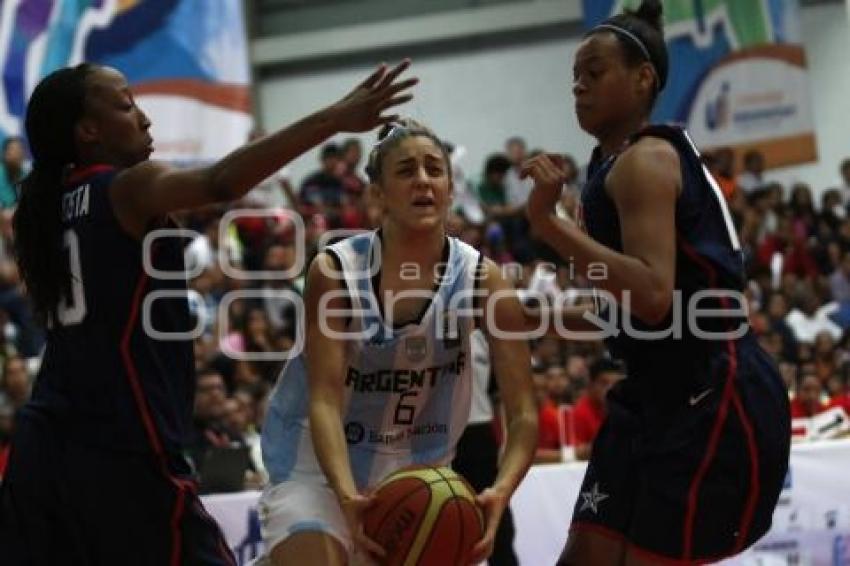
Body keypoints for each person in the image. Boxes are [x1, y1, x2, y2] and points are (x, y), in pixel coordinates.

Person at [0, 59, 416, 565]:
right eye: (127, 104)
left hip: (45, 444)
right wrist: (334, 117)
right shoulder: (125, 188)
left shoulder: (45, 206)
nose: (145, 119)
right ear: (88, 131)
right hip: (123, 442)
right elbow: (221, 182)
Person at [524, 1, 791, 563]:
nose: (579, 86)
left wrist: (548, 225)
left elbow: (649, 295)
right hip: (653, 391)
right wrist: (529, 313)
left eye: (594, 73)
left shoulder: (645, 161)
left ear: (643, 78)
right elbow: (619, 307)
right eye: (575, 76)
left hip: (711, 387)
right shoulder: (609, 167)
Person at [259, 119, 537, 566]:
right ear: (377, 196)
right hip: (318, 470)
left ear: (449, 189)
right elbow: (326, 402)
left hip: (418, 474)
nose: (423, 179)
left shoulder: (485, 280)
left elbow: (524, 412)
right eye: (406, 170)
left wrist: (501, 490)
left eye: (434, 169)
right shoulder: (335, 272)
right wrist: (348, 496)